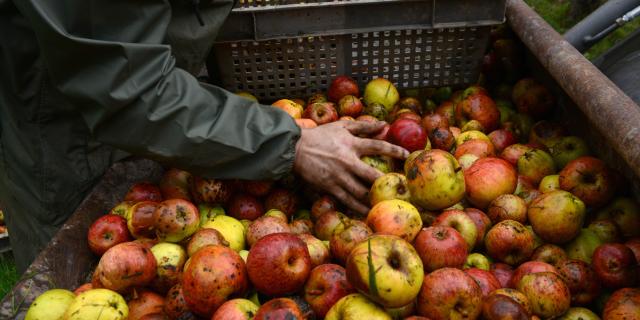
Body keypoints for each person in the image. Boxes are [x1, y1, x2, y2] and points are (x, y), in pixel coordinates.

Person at [0, 0, 408, 273]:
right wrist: (290, 142)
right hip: (69, 126)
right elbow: (126, 85)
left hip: (172, 98)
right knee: (81, 272)